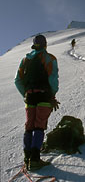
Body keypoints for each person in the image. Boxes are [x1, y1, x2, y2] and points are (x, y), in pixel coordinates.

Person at [14, 34, 60, 171]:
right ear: (45, 44)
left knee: (29, 125)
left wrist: (26, 94)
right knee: (39, 125)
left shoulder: (25, 60)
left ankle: (27, 158)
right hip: (44, 95)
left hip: (29, 96)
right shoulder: (49, 58)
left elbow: (17, 80)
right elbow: (53, 79)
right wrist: (52, 95)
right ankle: (35, 159)